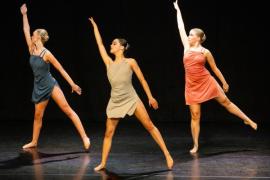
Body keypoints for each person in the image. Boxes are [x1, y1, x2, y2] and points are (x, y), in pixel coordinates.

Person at [88, 17, 174, 170]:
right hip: (115, 101)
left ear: (121, 47)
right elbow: (99, 44)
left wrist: (150, 97)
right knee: (108, 132)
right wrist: (95, 26)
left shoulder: (131, 62)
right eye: (112, 43)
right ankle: (103, 163)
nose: (111, 45)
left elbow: (142, 80)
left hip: (132, 98)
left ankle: (167, 154)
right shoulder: (108, 62)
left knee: (149, 125)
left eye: (114, 43)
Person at [173, 0, 257, 154]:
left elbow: (215, 68)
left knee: (226, 102)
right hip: (191, 85)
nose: (189, 36)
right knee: (195, 115)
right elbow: (180, 27)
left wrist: (224, 82)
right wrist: (177, 9)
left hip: (207, 82)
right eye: (189, 35)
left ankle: (248, 120)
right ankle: (196, 145)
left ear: (198, 38)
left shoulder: (205, 52)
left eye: (191, 35)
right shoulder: (186, 46)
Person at [20, 4, 90, 150]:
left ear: (38, 37)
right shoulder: (31, 49)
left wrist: (72, 84)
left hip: (50, 84)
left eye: (34, 34)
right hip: (38, 86)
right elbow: (25, 30)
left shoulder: (47, 54)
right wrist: (24, 15)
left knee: (67, 109)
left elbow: (61, 69)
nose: (31, 36)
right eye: (32, 35)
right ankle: (34, 141)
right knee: (37, 117)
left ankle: (85, 137)